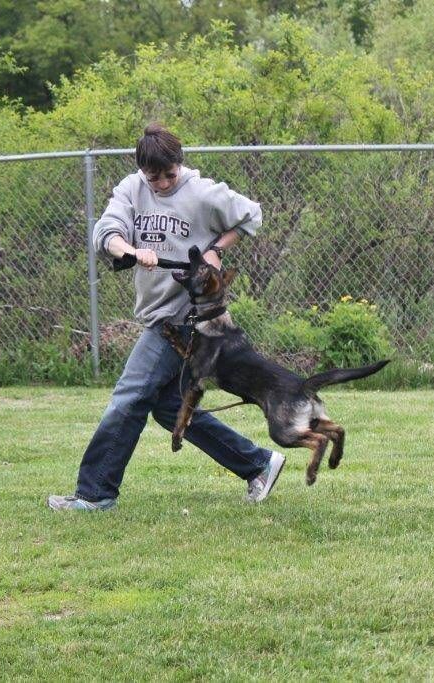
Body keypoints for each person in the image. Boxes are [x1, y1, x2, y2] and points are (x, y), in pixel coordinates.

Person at [47, 123, 286, 511]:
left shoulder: (201, 191)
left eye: (168, 175)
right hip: (155, 312)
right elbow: (105, 232)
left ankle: (94, 495)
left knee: (128, 397)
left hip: (184, 318)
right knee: (168, 408)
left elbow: (250, 216)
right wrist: (129, 249)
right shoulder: (132, 189)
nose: (160, 184)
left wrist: (214, 248)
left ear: (180, 163)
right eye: (152, 177)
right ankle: (258, 463)